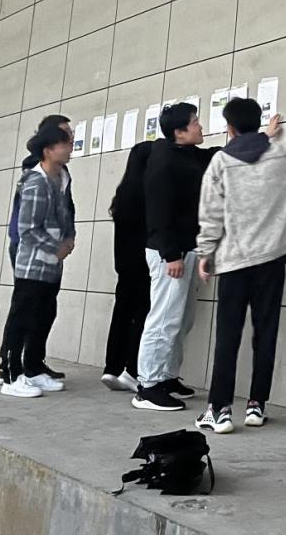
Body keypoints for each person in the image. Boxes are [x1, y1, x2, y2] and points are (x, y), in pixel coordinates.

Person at [194, 98, 286, 434]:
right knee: (265, 333)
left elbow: (210, 212)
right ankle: (257, 405)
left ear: (230, 128)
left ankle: (219, 410)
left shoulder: (221, 161)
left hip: (234, 262)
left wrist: (205, 253)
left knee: (228, 336)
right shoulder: (283, 154)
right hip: (271, 261)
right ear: (259, 122)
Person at [132, 103, 216, 411]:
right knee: (164, 318)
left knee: (182, 319)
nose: (200, 126)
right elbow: (158, 212)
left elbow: (213, 155)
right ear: (180, 132)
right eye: (195, 122)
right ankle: (148, 386)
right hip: (170, 252)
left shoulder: (187, 154)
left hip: (186, 248)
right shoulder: (164, 162)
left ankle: (167, 376)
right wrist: (170, 255)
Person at [0, 114, 76, 386]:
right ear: (48, 145)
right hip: (29, 248)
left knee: (45, 308)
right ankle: (9, 369)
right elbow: (27, 226)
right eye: (65, 135)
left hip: (53, 252)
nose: (71, 140)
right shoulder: (36, 174)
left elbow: (67, 209)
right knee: (24, 308)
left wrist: (69, 238)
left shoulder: (62, 174)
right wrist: (54, 246)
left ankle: (33, 366)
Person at [101, 140, 154, 393]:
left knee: (121, 314)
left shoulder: (124, 193)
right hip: (143, 265)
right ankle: (132, 368)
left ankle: (111, 367)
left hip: (123, 265)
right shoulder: (149, 194)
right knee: (142, 316)